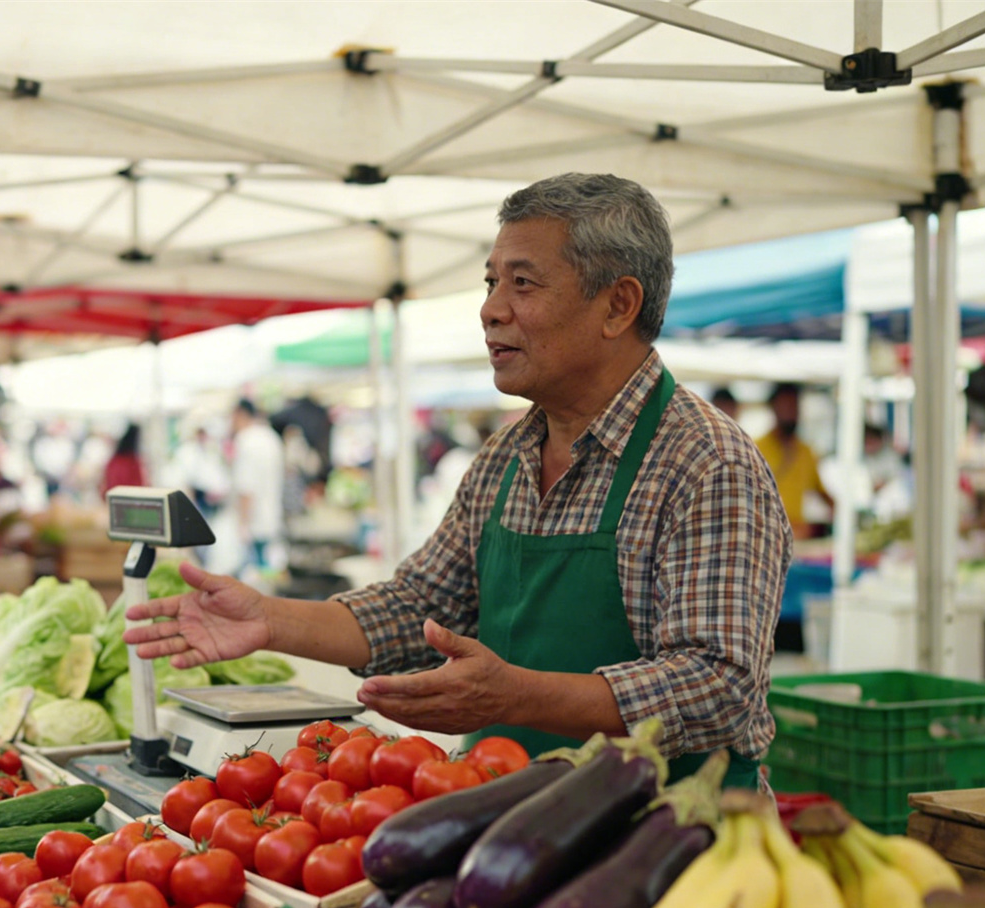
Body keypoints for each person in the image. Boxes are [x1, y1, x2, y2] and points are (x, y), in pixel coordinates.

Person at [125, 173, 790, 788]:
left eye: (522, 284)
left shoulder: (706, 465)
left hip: (670, 840)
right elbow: (418, 608)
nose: (491, 310)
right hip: (508, 820)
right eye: (491, 282)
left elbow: (717, 687)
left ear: (618, 305)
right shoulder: (508, 455)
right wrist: (269, 619)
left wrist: (519, 696)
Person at [756, 383, 832, 539]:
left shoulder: (806, 451)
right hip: (765, 534)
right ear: (773, 408)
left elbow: (822, 493)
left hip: (797, 535)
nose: (791, 413)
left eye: (794, 406)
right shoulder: (756, 448)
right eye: (785, 406)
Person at [230, 398, 285, 572]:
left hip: (255, 522)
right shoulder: (270, 436)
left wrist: (243, 524)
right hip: (272, 518)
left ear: (240, 414)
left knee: (254, 579)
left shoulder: (246, 440)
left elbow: (246, 486)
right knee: (268, 574)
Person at [101, 424, 146, 497]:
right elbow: (139, 484)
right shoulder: (133, 462)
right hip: (129, 499)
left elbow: (106, 482)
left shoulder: (114, 460)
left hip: (114, 498)